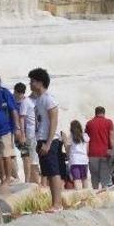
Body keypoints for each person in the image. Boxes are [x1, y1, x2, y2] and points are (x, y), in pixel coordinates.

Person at [29, 67, 64, 209]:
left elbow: (54, 121)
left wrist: (48, 143)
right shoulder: (39, 100)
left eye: (32, 81)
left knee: (54, 172)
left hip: (50, 140)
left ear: (40, 82)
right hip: (41, 139)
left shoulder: (48, 99)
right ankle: (54, 202)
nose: (30, 84)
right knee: (48, 173)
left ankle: (57, 204)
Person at [84, 107, 114, 189]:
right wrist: (113, 150)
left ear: (95, 113)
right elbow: (111, 138)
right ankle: (105, 193)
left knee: (94, 177)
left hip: (92, 153)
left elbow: (86, 139)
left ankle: (95, 192)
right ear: (104, 113)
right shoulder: (109, 122)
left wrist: (86, 153)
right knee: (105, 178)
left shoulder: (89, 123)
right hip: (105, 153)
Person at [13, 82, 38, 183]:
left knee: (26, 156)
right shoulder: (27, 102)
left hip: (24, 134)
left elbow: (23, 119)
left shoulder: (22, 103)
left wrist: (21, 133)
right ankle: (21, 179)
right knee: (24, 156)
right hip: (22, 133)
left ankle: (27, 180)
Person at [64, 120, 89, 189]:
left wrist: (68, 157)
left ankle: (78, 193)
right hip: (84, 160)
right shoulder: (85, 136)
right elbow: (87, 149)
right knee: (84, 178)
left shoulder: (70, 137)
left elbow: (68, 150)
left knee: (76, 179)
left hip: (74, 160)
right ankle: (86, 193)